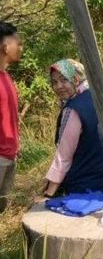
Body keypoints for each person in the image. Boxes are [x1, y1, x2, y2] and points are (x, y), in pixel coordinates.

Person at [44, 59, 103, 196]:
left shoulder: (74, 109)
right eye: (54, 82)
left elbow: (63, 157)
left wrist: (49, 193)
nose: (59, 86)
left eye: (64, 80)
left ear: (76, 79)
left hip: (82, 188)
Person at [0, 21, 23, 213]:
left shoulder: (6, 77)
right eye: (19, 43)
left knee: (2, 209)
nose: (21, 47)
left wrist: (16, 142)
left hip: (9, 154)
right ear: (5, 47)